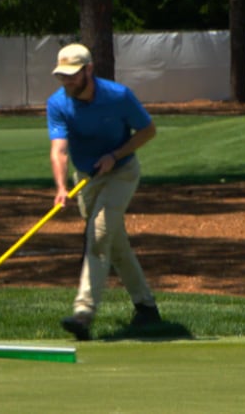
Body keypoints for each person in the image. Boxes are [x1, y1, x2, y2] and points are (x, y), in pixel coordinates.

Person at [47, 43, 161, 341]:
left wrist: (115, 155)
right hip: (86, 177)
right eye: (62, 76)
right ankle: (146, 307)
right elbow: (59, 151)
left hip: (121, 173)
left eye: (72, 75)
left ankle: (83, 313)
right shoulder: (58, 104)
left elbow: (148, 131)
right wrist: (61, 188)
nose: (67, 82)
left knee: (98, 236)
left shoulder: (118, 96)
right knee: (114, 242)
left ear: (88, 70)